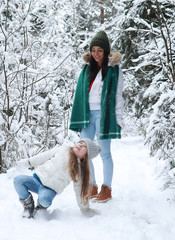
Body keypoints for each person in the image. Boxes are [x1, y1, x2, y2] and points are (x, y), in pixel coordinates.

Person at [69, 30, 124, 203]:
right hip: (87, 115)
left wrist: (118, 117)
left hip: (104, 115)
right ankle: (91, 186)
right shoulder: (86, 69)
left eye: (100, 50)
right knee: (84, 155)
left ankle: (106, 189)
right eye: (93, 50)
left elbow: (118, 95)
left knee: (105, 153)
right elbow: (79, 94)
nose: (96, 54)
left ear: (106, 51)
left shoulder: (114, 70)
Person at [13, 138, 101, 218]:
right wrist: (28, 162)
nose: (81, 145)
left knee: (45, 200)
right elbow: (44, 156)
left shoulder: (79, 170)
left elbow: (80, 190)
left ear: (86, 156)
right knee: (18, 181)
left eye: (84, 146)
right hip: (36, 180)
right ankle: (28, 206)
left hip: (49, 189)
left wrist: (85, 209)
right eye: (81, 142)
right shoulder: (63, 149)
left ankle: (40, 208)